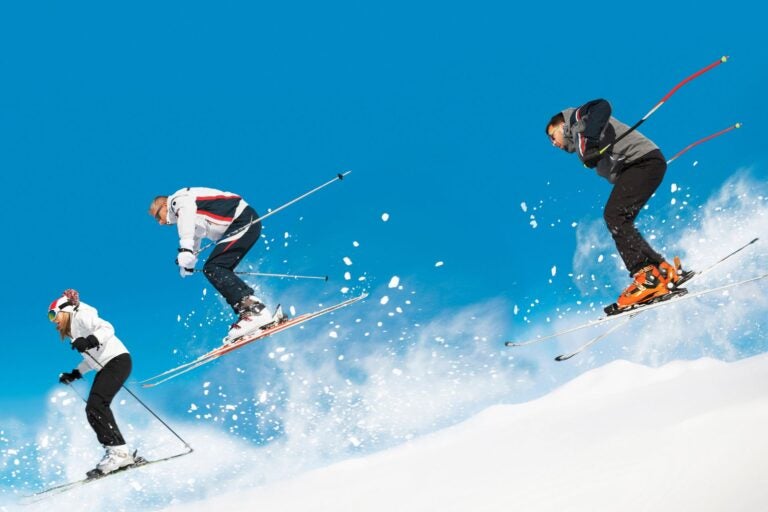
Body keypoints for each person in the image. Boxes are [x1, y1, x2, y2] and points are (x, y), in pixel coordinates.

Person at [545, 98, 684, 312]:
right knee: (620, 218)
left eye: (552, 136)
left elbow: (601, 105)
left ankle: (646, 278)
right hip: (644, 165)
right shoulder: (582, 141)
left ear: (561, 125)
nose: (553, 144)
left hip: (643, 162)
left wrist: (590, 143)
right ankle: (659, 270)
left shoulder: (577, 119)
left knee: (614, 216)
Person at [148, 187, 285, 342]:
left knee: (214, 267)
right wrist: (190, 258)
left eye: (157, 216)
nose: (159, 222)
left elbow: (186, 214)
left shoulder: (178, 199)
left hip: (242, 220)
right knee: (216, 267)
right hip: (242, 223)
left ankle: (255, 311)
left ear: (164, 205)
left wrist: (185, 248)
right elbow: (194, 234)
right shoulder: (185, 213)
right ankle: (251, 311)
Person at [50, 289, 135, 477]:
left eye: (53, 314)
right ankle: (119, 452)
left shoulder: (81, 316)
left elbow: (107, 328)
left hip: (117, 360)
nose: (53, 321)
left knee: (96, 405)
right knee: (93, 408)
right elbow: (91, 359)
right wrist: (75, 373)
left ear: (64, 311)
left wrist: (89, 339)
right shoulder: (74, 332)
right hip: (107, 365)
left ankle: (118, 452)